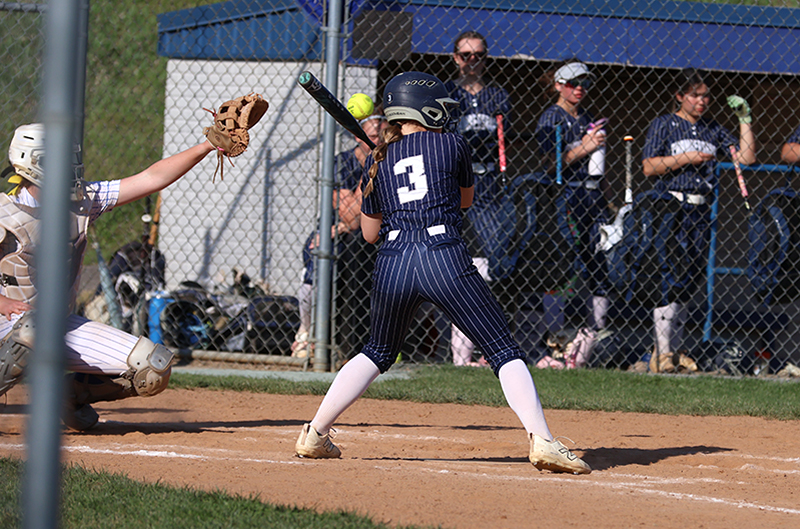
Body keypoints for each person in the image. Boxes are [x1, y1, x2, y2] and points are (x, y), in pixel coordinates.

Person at [293, 71, 591, 475]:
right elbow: (465, 201)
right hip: (442, 257)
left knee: (377, 352)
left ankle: (315, 432)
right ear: (425, 109)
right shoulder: (451, 143)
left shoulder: (378, 160)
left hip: (393, 262)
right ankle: (542, 440)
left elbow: (369, 234)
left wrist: (379, 174)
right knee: (502, 349)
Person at [0, 123, 216, 430]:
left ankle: (67, 396)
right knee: (32, 330)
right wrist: (3, 303)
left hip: (54, 324)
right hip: (6, 324)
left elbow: (152, 178)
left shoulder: (81, 201)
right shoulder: (5, 213)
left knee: (152, 368)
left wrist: (207, 145)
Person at [641, 69, 755, 372]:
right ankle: (662, 352)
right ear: (680, 96)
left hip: (701, 211)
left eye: (705, 96)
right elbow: (649, 166)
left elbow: (745, 158)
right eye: (694, 95)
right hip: (670, 207)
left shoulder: (712, 129)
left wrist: (744, 120)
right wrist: (685, 159)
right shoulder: (664, 124)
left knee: (689, 280)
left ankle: (675, 350)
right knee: (668, 276)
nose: (701, 101)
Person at [291, 110, 387, 359]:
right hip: (333, 230)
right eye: (373, 137)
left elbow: (354, 222)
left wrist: (375, 164)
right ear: (358, 137)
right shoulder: (342, 162)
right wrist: (371, 170)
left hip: (369, 235)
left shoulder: (389, 161)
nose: (378, 142)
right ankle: (306, 332)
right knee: (314, 267)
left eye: (383, 137)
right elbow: (351, 216)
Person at [443, 30, 514, 367]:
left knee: (487, 267)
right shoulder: (447, 93)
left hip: (488, 185)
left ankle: (479, 349)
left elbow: (502, 141)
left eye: (478, 55)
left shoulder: (497, 95)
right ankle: (460, 354)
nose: (472, 61)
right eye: (465, 55)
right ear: (455, 58)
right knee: (459, 266)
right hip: (455, 183)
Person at [534, 60, 610, 361]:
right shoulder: (551, 117)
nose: (580, 89)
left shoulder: (587, 117)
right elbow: (548, 163)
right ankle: (556, 339)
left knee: (599, 263)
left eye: (585, 83)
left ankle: (596, 336)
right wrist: (585, 147)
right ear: (558, 85)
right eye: (573, 83)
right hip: (565, 197)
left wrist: (608, 200)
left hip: (592, 198)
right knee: (563, 267)